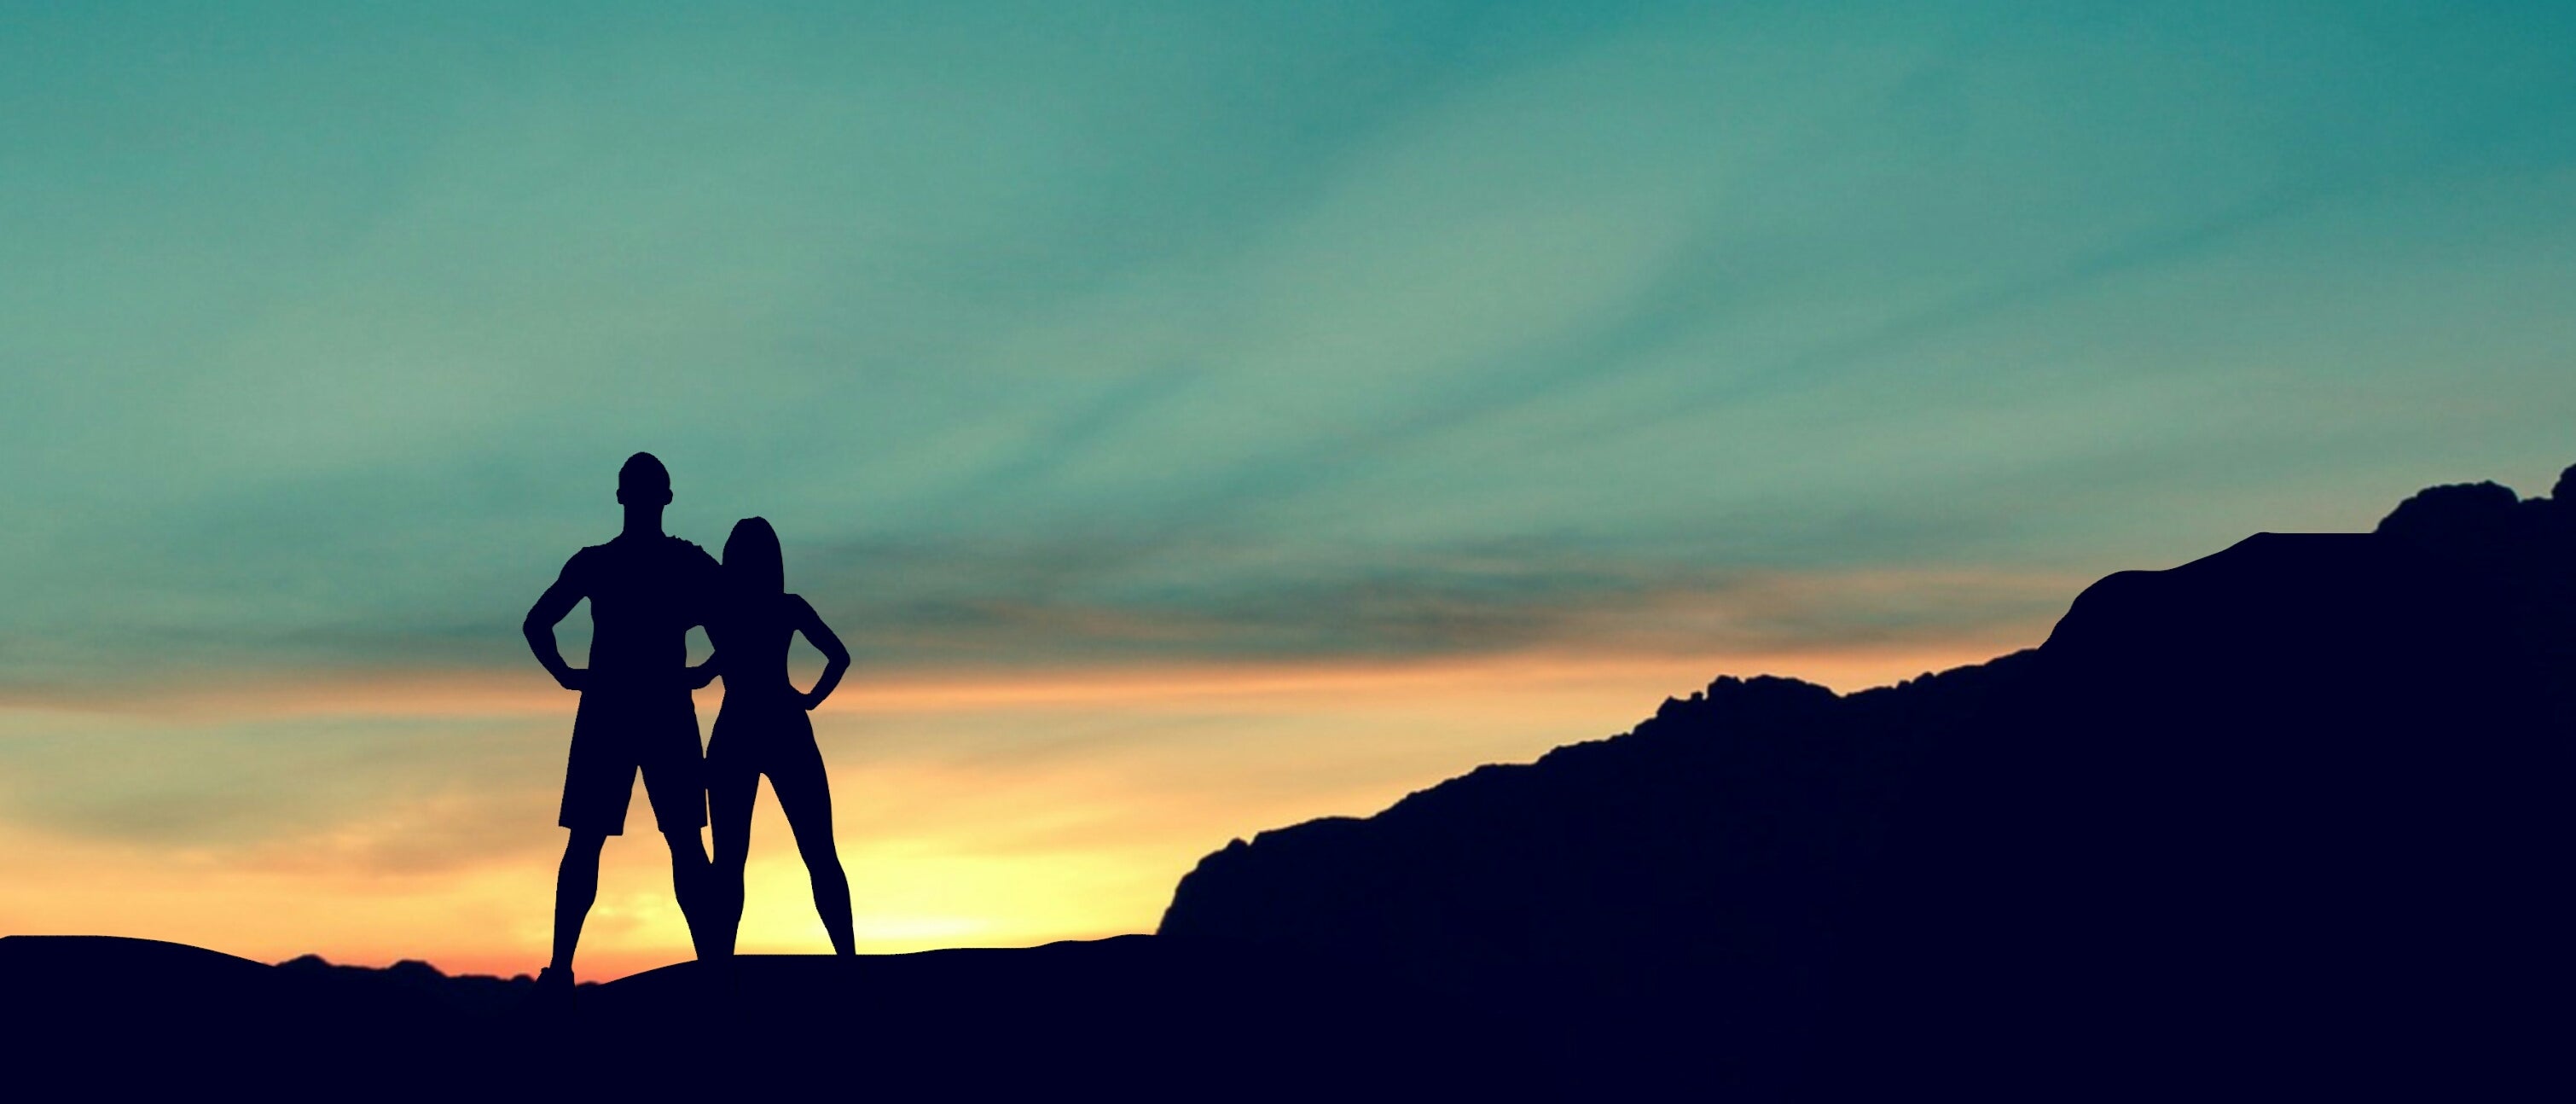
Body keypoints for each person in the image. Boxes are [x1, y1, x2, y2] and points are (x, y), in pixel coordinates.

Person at [523, 452, 723, 992]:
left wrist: (568, 675)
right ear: (665, 497)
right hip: (653, 709)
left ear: (622, 497)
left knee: (602, 843)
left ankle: (563, 970)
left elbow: (537, 624)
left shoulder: (603, 564)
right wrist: (705, 669)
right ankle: (711, 973)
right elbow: (738, 618)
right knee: (676, 844)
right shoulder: (682, 563)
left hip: (618, 709)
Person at [703, 516, 856, 956]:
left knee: (730, 861)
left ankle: (720, 966)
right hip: (785, 726)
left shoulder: (723, 612)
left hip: (738, 731)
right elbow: (839, 657)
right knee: (819, 854)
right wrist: (808, 699)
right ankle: (847, 961)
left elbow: (716, 664)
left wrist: (810, 700)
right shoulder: (787, 607)